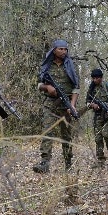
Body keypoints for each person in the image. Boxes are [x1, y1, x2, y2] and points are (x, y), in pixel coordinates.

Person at [36, 39, 79, 172]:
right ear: (54, 50)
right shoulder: (46, 66)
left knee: (66, 135)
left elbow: (76, 88)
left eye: (65, 49)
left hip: (66, 105)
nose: (64, 51)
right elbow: (38, 85)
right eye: (61, 49)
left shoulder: (71, 66)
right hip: (50, 103)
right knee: (48, 131)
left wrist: (71, 105)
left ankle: (68, 163)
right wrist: (47, 87)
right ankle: (44, 163)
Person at [85, 68, 108, 165]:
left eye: (97, 78)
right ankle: (100, 159)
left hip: (107, 115)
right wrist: (92, 105)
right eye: (93, 78)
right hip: (97, 116)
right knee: (98, 138)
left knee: (107, 135)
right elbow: (87, 102)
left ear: (101, 78)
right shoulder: (91, 89)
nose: (95, 80)